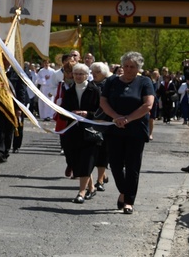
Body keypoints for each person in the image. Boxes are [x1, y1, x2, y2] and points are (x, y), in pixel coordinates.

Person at [99, 51, 155, 215]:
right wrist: (116, 117)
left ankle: (129, 201)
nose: (129, 69)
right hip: (115, 128)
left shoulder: (145, 82)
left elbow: (148, 105)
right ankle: (123, 191)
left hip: (135, 130)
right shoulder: (112, 81)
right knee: (115, 165)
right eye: (126, 66)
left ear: (138, 68)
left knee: (132, 167)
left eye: (133, 67)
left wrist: (128, 119)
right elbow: (103, 101)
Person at [61, 63, 102, 203]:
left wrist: (87, 114)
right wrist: (71, 114)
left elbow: (100, 111)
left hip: (90, 131)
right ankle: (91, 187)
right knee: (75, 160)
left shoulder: (94, 90)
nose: (78, 76)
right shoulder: (69, 91)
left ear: (86, 75)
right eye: (76, 73)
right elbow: (62, 111)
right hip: (72, 131)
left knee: (86, 160)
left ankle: (81, 192)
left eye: (81, 74)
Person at [90, 61, 113, 191]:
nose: (95, 74)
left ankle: (100, 180)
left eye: (98, 72)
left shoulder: (110, 85)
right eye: (93, 72)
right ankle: (100, 176)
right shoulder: (90, 85)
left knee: (103, 151)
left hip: (106, 121)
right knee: (94, 151)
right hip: (92, 121)